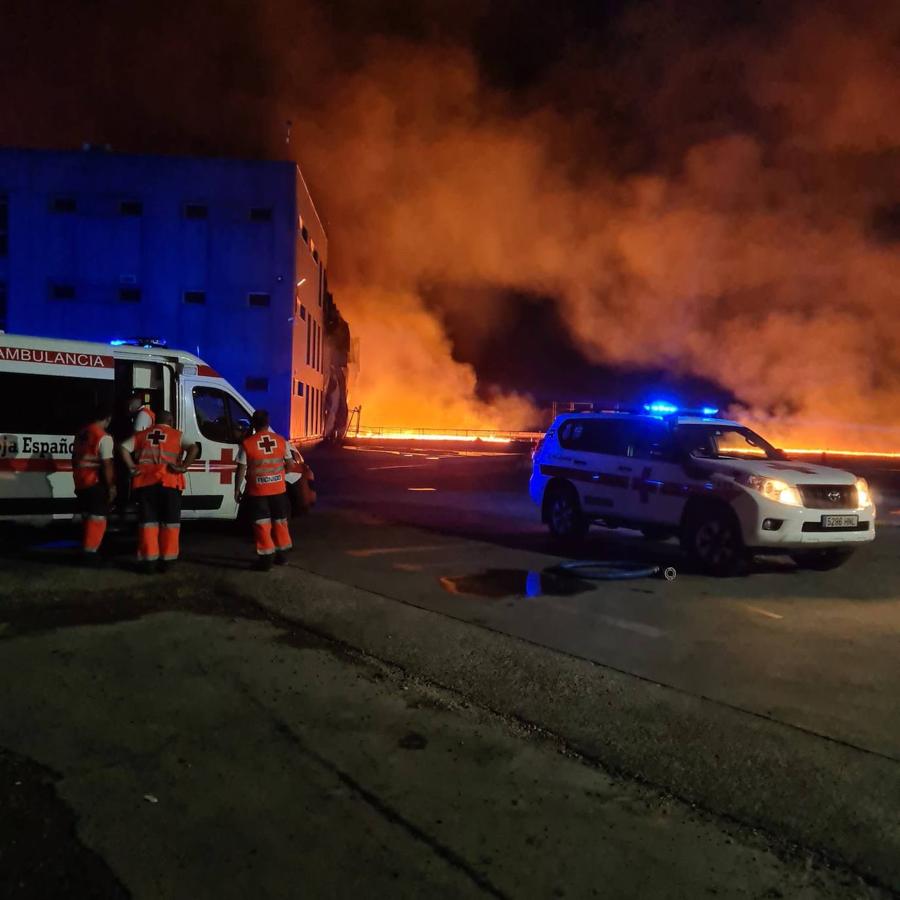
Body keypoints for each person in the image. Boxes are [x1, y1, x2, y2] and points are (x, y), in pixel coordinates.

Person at [120, 411, 198, 573]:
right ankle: (167, 561)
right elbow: (194, 448)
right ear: (170, 420)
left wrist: (132, 467)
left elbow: (123, 447)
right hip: (170, 483)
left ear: (155, 421)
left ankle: (149, 562)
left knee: (148, 523)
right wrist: (183, 467)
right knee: (170, 523)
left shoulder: (143, 434)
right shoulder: (177, 435)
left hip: (145, 484)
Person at [234, 409, 295, 571]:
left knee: (262, 525)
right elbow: (290, 465)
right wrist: (277, 475)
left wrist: (236, 490)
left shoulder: (247, 444)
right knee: (280, 522)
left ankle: (266, 560)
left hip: (258, 492)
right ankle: (282, 557)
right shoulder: (281, 441)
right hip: (279, 491)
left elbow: (240, 469)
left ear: (253, 423)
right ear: (268, 423)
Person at [72, 407, 116, 563]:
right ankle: (90, 552)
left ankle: (85, 547)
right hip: (95, 482)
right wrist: (111, 486)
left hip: (80, 480)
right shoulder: (103, 437)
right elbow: (107, 464)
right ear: (107, 418)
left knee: (87, 516)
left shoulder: (81, 434)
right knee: (97, 518)